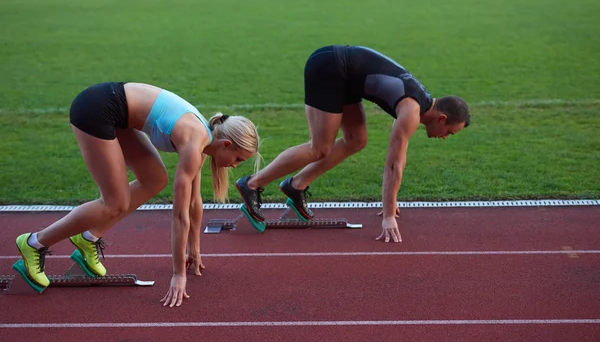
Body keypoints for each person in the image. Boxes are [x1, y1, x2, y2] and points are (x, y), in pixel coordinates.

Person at [14, 82, 261, 307]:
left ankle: (88, 238)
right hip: (97, 108)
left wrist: (194, 250)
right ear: (227, 145)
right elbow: (179, 215)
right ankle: (35, 243)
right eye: (239, 159)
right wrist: (178, 274)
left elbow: (194, 204)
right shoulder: (194, 142)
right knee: (115, 203)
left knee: (155, 180)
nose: (235, 165)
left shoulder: (203, 141)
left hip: (117, 112)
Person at [235, 45, 470, 243]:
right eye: (449, 132)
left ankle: (296, 185)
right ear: (442, 118)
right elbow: (393, 164)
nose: (445, 137)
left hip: (346, 76)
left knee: (357, 140)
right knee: (319, 147)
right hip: (330, 67)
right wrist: (389, 214)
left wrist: (391, 201)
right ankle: (253, 184)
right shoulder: (411, 111)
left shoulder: (418, 103)